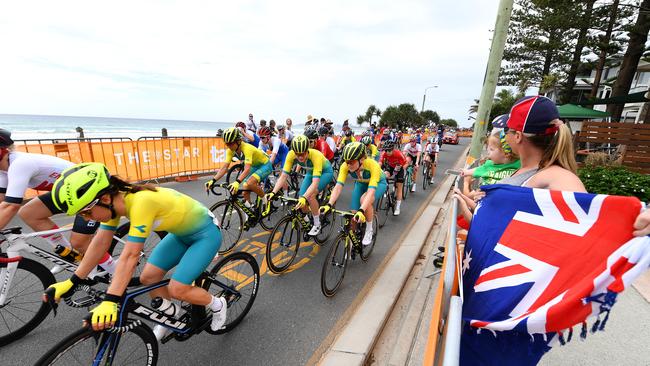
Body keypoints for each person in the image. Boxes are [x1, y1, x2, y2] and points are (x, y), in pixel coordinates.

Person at [42, 163, 227, 337]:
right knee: (148, 278)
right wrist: (72, 281)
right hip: (180, 235)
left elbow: (130, 256)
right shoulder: (116, 203)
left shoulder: (141, 203)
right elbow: (99, 244)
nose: (86, 218)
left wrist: (110, 300)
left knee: (177, 289)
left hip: (205, 235)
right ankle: (169, 316)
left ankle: (218, 304)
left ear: (105, 198)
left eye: (86, 212)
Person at [0, 128, 115, 272]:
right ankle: (70, 256)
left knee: (79, 242)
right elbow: (2, 202)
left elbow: (10, 206)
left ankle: (117, 274)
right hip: (68, 196)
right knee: (29, 213)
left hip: (91, 194)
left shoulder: (19, 164)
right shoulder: (4, 170)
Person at [265, 135, 334, 236]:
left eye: (303, 154)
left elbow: (315, 183)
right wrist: (273, 192)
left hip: (325, 172)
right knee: (300, 199)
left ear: (308, 149)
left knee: (310, 196)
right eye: (298, 154)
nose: (300, 157)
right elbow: (283, 176)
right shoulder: (291, 154)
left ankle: (317, 223)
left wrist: (305, 197)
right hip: (310, 172)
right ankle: (309, 219)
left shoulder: (316, 155)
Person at [320, 142, 387, 245]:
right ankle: (352, 243)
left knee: (364, 200)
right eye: (346, 161)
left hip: (378, 184)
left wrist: (362, 209)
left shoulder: (373, 165)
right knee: (353, 215)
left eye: (351, 162)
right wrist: (329, 204)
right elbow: (338, 186)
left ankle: (369, 229)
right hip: (360, 184)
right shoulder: (345, 166)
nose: (348, 164)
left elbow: (371, 191)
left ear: (362, 159)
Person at [205, 128, 272, 213]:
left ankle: (265, 199)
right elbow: (224, 168)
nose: (229, 146)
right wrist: (213, 180)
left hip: (265, 165)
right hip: (254, 166)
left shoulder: (247, 148)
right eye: (227, 144)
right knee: (245, 190)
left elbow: (247, 169)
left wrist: (237, 182)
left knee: (250, 183)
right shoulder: (230, 150)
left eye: (231, 143)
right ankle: (250, 214)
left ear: (238, 141)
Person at [379, 140, 407, 215]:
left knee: (399, 186)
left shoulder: (398, 154)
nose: (387, 152)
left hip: (400, 167)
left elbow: (405, 164)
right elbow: (380, 162)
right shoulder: (384, 153)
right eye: (385, 150)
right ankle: (386, 188)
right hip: (391, 167)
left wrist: (401, 173)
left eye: (389, 150)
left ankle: (398, 207)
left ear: (392, 149)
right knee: (384, 175)